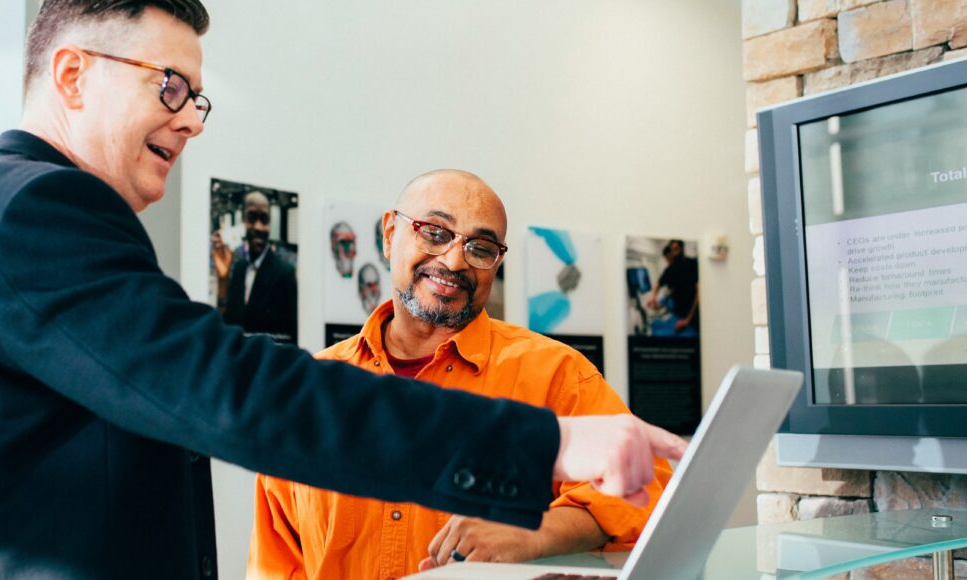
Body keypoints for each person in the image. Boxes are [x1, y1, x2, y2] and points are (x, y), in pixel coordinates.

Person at [0, 2, 686, 578]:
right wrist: (541, 446)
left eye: (198, 97)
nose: (189, 119)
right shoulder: (36, 209)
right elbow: (230, 393)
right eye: (170, 86)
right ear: (72, 76)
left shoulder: (10, 211)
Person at [248, 171, 674, 579]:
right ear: (390, 234)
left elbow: (649, 494)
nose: (454, 261)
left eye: (481, 247)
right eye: (434, 232)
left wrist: (535, 531)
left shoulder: (555, 374)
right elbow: (276, 563)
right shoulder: (310, 392)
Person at [219, 191, 298, 343]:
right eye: (252, 218)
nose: (258, 227)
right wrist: (222, 280)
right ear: (243, 221)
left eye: (264, 219)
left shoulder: (285, 273)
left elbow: (291, 337)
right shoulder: (238, 268)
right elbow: (228, 323)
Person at [647, 239, 700, 335]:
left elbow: (699, 293)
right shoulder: (670, 269)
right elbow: (659, 283)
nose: (674, 253)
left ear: (682, 249)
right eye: (672, 249)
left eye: (676, 249)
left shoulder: (692, 264)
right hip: (678, 314)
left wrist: (688, 320)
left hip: (693, 315)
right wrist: (653, 297)